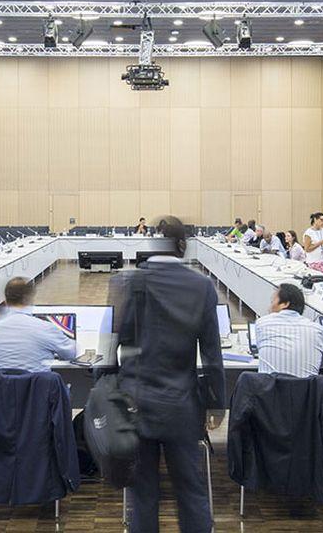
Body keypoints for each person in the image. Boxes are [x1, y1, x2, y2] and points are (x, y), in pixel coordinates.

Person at [107, 217, 224, 533]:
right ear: (183, 245)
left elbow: (113, 347)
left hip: (135, 403)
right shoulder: (201, 286)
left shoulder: (129, 282)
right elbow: (212, 354)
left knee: (142, 495)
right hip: (181, 404)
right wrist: (216, 403)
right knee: (190, 490)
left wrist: (110, 393)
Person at [0, 277, 76, 372]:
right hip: (38, 387)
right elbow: (70, 354)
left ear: (5, 301)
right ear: (30, 299)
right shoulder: (46, 328)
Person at [253, 284, 323, 378]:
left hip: (268, 391)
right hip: (306, 392)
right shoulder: (317, 329)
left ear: (285, 304)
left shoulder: (262, 323)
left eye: (272, 302)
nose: (269, 307)